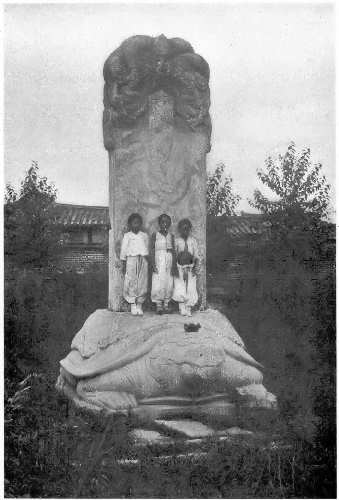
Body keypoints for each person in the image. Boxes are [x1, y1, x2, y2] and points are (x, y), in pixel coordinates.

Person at [120, 213, 149, 316]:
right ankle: (133, 304)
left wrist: (147, 260)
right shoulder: (127, 236)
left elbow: (147, 248)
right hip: (131, 260)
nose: (136, 225)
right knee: (131, 280)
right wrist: (123, 263)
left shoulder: (144, 235)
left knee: (142, 282)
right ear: (130, 224)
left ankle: (140, 304)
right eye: (134, 223)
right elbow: (123, 250)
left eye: (138, 223)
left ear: (141, 224)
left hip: (143, 259)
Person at [150, 214, 178, 314]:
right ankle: (158, 305)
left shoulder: (171, 236)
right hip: (159, 260)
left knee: (168, 281)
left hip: (169, 260)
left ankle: (166, 304)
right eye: (162, 222)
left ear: (170, 224)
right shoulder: (155, 235)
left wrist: (174, 265)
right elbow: (152, 250)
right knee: (158, 281)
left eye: (167, 222)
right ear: (159, 223)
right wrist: (153, 264)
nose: (164, 224)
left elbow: (174, 250)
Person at [172, 218, 199, 316]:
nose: (185, 231)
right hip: (179, 267)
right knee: (180, 287)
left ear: (190, 229)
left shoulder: (193, 241)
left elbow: (196, 256)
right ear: (179, 230)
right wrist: (175, 268)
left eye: (187, 229)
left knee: (191, 287)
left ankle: (189, 307)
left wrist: (195, 267)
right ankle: (182, 307)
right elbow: (174, 255)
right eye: (183, 229)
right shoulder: (177, 241)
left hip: (190, 268)